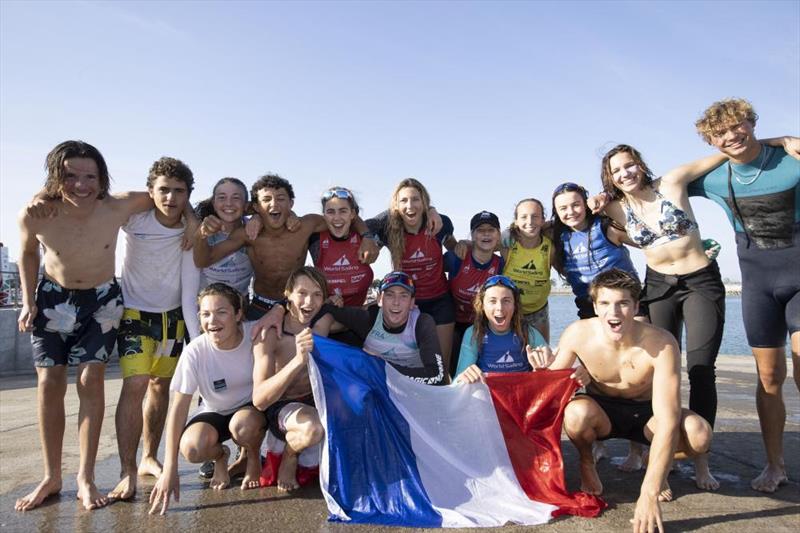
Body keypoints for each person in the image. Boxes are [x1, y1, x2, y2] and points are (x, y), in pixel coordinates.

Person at [15, 140, 154, 511]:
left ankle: (85, 476)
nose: (81, 185)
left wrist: (191, 220)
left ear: (102, 177)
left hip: (103, 301)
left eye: (90, 176)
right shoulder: (36, 213)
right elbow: (27, 253)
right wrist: (28, 301)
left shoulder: (119, 205)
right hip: (52, 298)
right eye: (71, 176)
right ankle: (51, 475)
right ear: (56, 177)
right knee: (49, 382)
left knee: (90, 380)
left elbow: (166, 192)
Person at [529, 269, 713, 533]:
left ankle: (655, 463)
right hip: (600, 411)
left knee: (700, 435)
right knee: (575, 414)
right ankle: (586, 461)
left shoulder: (661, 343)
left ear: (636, 306)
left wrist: (649, 492)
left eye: (623, 303)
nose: (613, 313)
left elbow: (668, 418)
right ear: (594, 306)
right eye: (604, 303)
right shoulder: (578, 334)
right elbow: (552, 389)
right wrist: (540, 369)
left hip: (647, 416)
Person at [590, 144, 728, 489]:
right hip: (658, 285)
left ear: (640, 164)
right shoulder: (615, 209)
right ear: (610, 178)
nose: (625, 173)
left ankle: (701, 460)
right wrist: (595, 202)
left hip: (700, 281)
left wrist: (780, 141)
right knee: (656, 373)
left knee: (700, 369)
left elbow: (728, 152)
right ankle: (658, 461)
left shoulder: (673, 182)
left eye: (629, 165)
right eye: (617, 170)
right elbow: (571, 216)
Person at [689, 98, 800, 492]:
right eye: (719, 133)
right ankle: (775, 465)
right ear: (710, 141)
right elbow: (661, 185)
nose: (732, 136)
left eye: (739, 126)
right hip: (758, 285)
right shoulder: (715, 178)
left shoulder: (793, 158)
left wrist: (781, 140)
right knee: (769, 376)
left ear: (752, 123)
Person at [109, 156, 198, 501]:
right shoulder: (134, 218)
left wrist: (193, 219)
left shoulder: (191, 228)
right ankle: (126, 470)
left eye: (179, 191)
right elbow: (102, 202)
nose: (171, 198)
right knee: (135, 385)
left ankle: (148, 457)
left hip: (172, 316)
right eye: (163, 190)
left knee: (161, 389)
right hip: (135, 313)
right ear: (151, 191)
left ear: (188, 194)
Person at [148, 283, 266, 515]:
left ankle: (252, 458)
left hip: (249, 410)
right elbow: (178, 409)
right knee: (192, 448)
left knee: (242, 426)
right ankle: (221, 456)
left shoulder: (255, 334)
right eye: (205, 314)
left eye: (222, 312)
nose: (212, 321)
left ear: (238, 314)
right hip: (214, 410)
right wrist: (170, 468)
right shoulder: (195, 351)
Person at [196, 174, 377, 320]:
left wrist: (367, 237)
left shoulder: (306, 225)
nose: (274, 204)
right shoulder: (248, 234)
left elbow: (343, 216)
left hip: (294, 308)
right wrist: (201, 235)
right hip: (260, 306)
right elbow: (204, 259)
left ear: (291, 204)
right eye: (266, 199)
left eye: (281, 199)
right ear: (256, 207)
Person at [261, 271, 446, 385]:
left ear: (413, 303)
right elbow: (320, 308)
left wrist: (382, 366)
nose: (396, 303)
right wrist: (278, 308)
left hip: (412, 388)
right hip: (379, 387)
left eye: (404, 296)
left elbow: (437, 376)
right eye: (390, 295)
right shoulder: (368, 318)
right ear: (380, 300)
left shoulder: (422, 322)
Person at [252, 267, 333, 491]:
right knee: (314, 429)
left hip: (312, 398)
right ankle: (289, 454)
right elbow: (259, 400)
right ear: (287, 294)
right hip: (282, 405)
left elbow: (363, 317)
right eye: (302, 293)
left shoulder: (323, 321)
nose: (309, 301)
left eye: (317, 294)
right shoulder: (270, 334)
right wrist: (298, 360)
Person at [368, 178, 457, 379]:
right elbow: (367, 225)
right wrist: (367, 240)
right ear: (396, 206)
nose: (410, 206)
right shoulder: (388, 228)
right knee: (412, 364)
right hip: (407, 305)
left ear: (424, 202)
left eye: (415, 200)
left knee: (440, 370)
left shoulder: (439, 224)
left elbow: (455, 249)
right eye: (404, 201)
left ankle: (441, 407)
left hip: (439, 301)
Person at [551, 182, 640, 319]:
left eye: (576, 205)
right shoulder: (555, 235)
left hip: (624, 299)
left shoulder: (606, 227)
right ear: (556, 211)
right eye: (563, 208)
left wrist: (606, 196)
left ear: (585, 204)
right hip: (588, 304)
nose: (570, 212)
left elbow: (648, 243)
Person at [183, 177, 253, 339]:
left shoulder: (252, 231)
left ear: (246, 206)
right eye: (222, 198)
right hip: (206, 316)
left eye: (236, 198)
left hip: (239, 313)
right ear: (214, 203)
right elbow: (189, 290)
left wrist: (257, 219)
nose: (228, 203)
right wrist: (194, 336)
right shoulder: (199, 229)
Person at [454, 275, 545, 384]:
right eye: (492, 301)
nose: (500, 308)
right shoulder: (474, 333)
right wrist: (462, 378)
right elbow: (457, 381)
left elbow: (552, 369)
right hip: (488, 396)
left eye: (506, 301)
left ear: (515, 305)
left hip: (522, 394)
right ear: (482, 305)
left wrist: (546, 364)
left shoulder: (528, 332)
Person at [445, 211, 504, 375]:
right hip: (455, 324)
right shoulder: (456, 258)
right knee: (456, 372)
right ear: (472, 235)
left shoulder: (501, 264)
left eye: (491, 230)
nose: (486, 234)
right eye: (480, 230)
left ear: (498, 235)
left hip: (484, 325)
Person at [309, 187, 374, 307]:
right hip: (326, 315)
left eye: (343, 211)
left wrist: (367, 235)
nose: (337, 218)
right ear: (324, 215)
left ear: (352, 214)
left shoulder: (367, 237)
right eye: (330, 212)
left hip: (358, 316)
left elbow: (392, 218)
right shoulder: (314, 239)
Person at [501, 198, 553, 342]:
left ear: (543, 220)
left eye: (535, 216)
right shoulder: (506, 244)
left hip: (538, 311)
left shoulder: (551, 248)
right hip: (510, 311)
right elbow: (480, 244)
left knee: (542, 357)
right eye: (523, 217)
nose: (530, 222)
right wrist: (462, 244)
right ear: (516, 221)